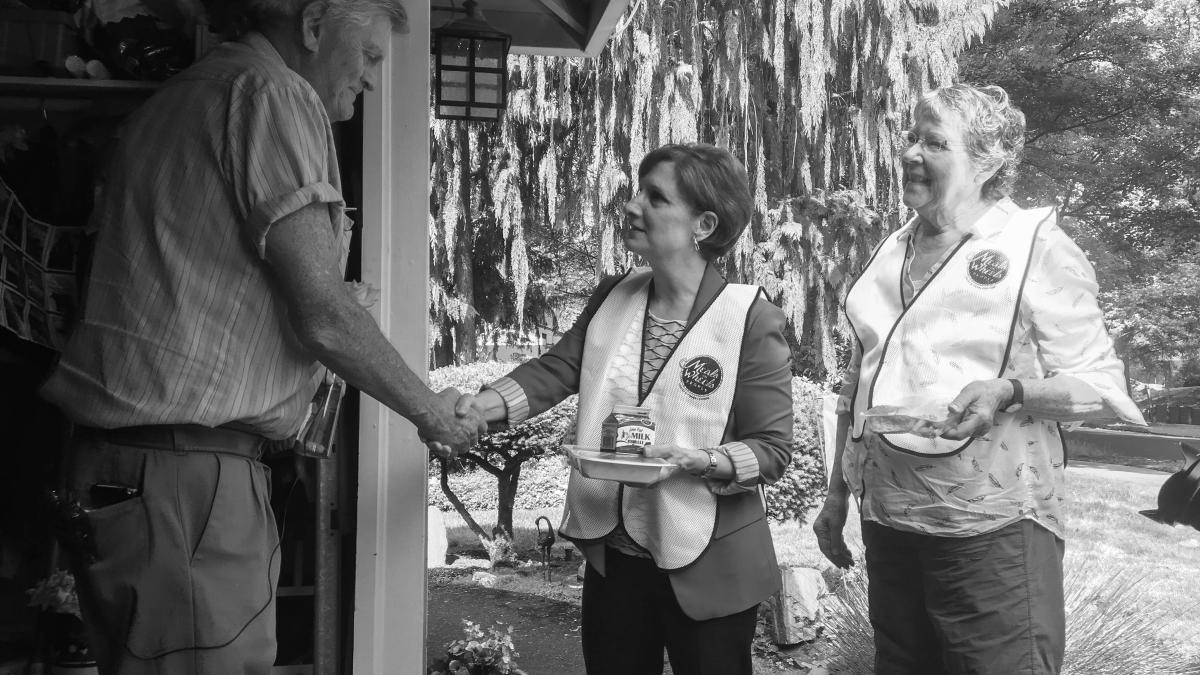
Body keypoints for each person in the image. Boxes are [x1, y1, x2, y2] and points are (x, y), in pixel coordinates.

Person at [38, 1, 482, 672]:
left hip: (136, 471)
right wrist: (430, 412)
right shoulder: (272, 93)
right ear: (312, 26)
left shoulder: (183, 95)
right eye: (366, 55)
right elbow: (323, 314)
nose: (372, 77)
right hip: (183, 480)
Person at [812, 83, 1146, 675]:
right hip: (887, 519)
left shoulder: (1036, 247)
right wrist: (837, 495)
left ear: (988, 161)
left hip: (992, 529)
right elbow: (860, 381)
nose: (911, 153)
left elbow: (1099, 388)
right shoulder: (891, 250)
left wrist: (1010, 391)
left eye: (935, 142)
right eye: (911, 137)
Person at [454, 143, 793, 675]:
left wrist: (697, 460)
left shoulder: (752, 317)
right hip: (616, 559)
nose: (632, 206)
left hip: (711, 563)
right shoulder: (614, 294)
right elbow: (558, 370)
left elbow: (771, 451)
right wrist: (480, 407)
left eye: (655, 198)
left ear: (703, 225)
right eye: (639, 191)